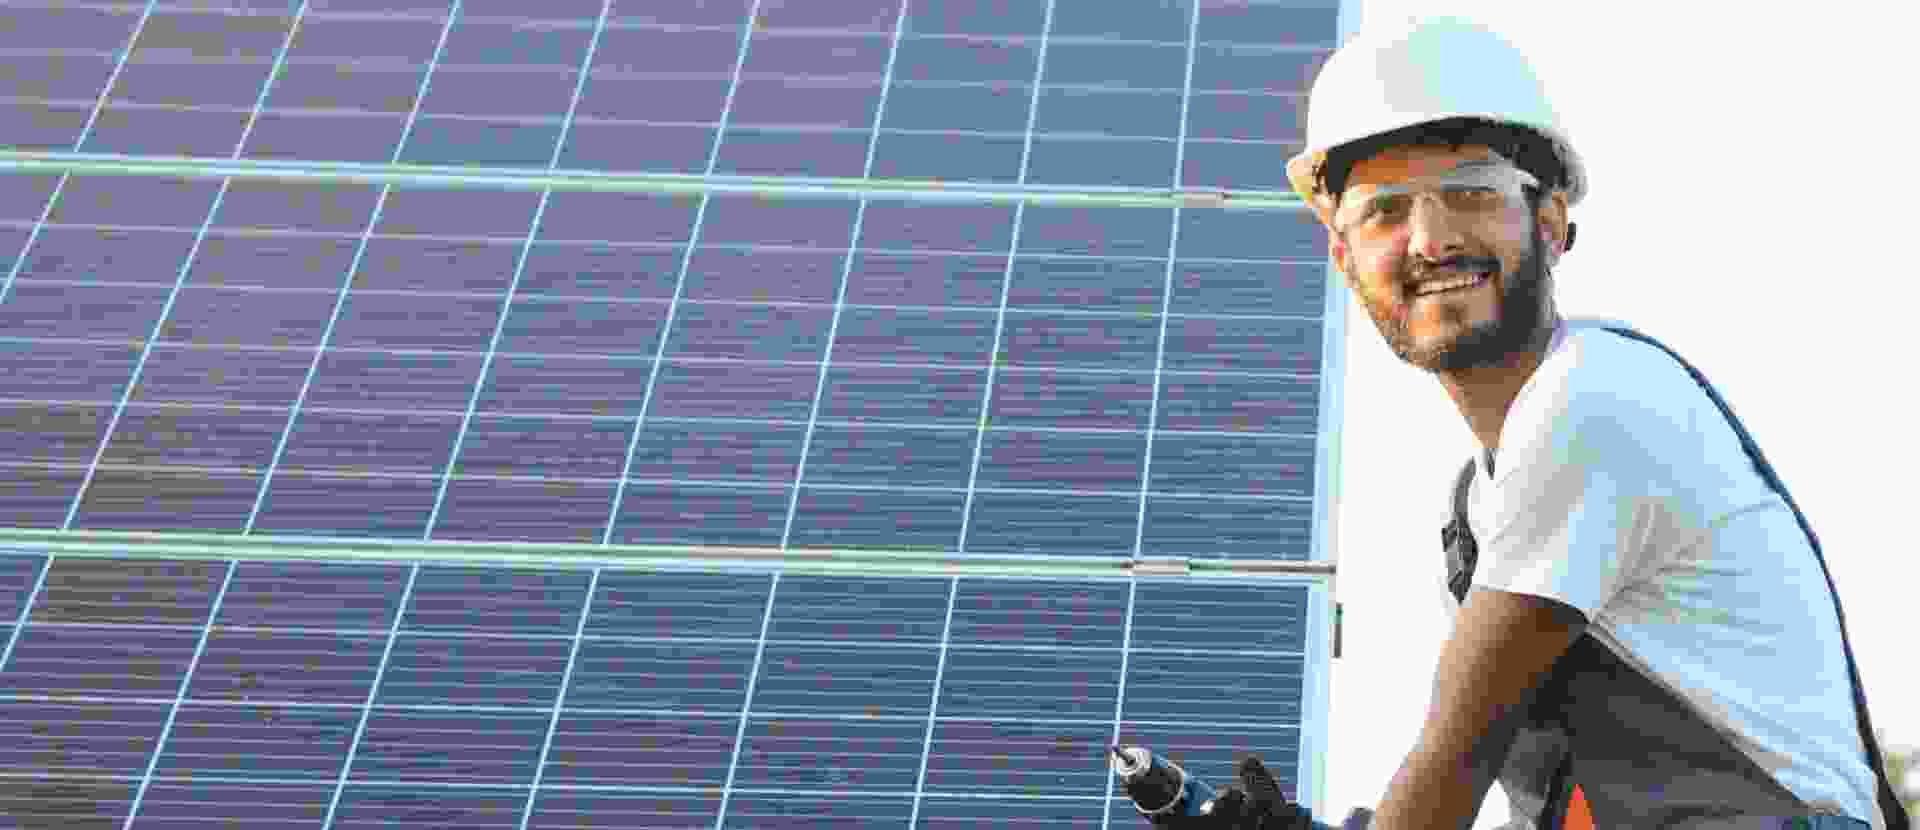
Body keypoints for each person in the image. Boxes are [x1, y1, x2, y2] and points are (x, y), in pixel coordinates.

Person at [1191, 15, 1910, 830]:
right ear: (1342, 256)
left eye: (1470, 194)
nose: (1430, 241)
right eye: (1385, 212)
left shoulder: (1596, 398)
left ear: (1552, 220)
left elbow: (1455, 758)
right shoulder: (1476, 517)